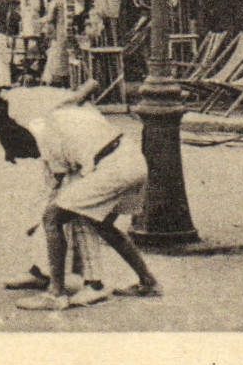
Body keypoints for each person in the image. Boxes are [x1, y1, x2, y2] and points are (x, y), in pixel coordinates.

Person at [14, 82, 161, 310]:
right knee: (100, 223)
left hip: (113, 167)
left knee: (52, 217)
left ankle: (56, 294)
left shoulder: (46, 131)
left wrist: (36, 219)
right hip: (132, 159)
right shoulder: (72, 109)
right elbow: (90, 86)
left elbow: (57, 183)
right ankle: (148, 282)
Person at [42, 0, 70, 87]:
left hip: (59, 29)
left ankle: (57, 78)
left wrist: (41, 21)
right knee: (65, 54)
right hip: (67, 28)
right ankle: (67, 77)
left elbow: (50, 17)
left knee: (57, 54)